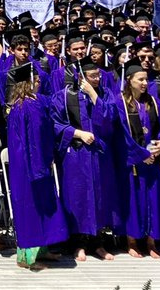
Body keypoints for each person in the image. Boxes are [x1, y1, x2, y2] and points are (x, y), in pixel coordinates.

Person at [50, 58, 118, 261]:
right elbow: (55, 124)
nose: (98, 78)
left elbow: (110, 119)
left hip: (98, 154)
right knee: (77, 197)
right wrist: (78, 133)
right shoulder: (62, 97)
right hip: (76, 155)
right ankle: (78, 243)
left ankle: (98, 243)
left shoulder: (102, 93)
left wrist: (93, 94)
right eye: (93, 76)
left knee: (98, 196)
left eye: (98, 75)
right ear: (81, 76)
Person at [5, 62, 67, 271]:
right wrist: (42, 161)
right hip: (31, 165)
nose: (40, 82)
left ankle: (42, 249)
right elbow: (35, 138)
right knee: (30, 208)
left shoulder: (25, 103)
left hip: (30, 162)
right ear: (27, 82)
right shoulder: (28, 106)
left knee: (42, 206)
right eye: (37, 79)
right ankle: (26, 257)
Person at [114, 63, 160, 259]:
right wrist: (141, 154)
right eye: (141, 79)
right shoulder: (119, 103)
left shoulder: (153, 102)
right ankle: (132, 241)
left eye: (146, 79)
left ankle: (151, 241)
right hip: (132, 164)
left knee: (154, 200)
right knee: (133, 200)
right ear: (129, 80)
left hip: (153, 161)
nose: (145, 83)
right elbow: (121, 135)